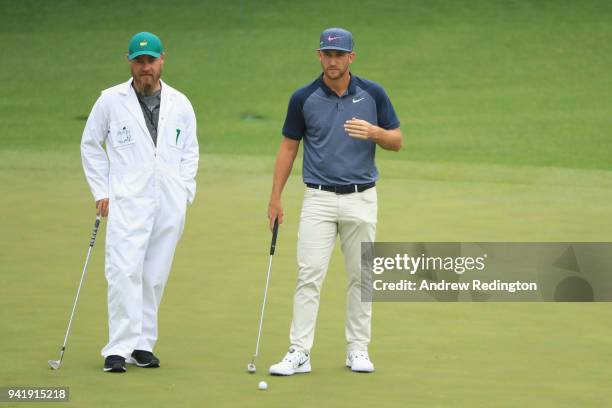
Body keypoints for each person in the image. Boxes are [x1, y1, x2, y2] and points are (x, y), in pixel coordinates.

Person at [267, 27, 403, 375]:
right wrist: (275, 197)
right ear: (320, 57)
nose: (332, 61)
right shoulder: (303, 98)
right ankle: (300, 351)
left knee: (361, 276)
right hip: (318, 198)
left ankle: (357, 349)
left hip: (361, 197)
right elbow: (288, 147)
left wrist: (375, 133)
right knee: (309, 275)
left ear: (350, 58)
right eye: (327, 55)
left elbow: (397, 140)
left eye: (338, 55)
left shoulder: (373, 94)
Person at [81, 32, 199, 373]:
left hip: (169, 201)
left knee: (154, 275)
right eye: (138, 61)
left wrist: (185, 189)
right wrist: (101, 190)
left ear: (163, 60)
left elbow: (190, 150)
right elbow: (90, 145)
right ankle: (117, 348)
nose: (144, 67)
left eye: (150, 61)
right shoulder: (109, 100)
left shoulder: (181, 103)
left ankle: (142, 345)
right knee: (123, 272)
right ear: (129, 62)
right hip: (126, 201)